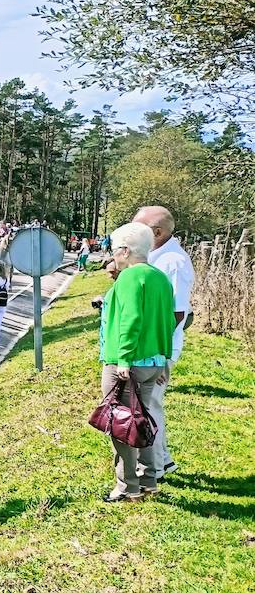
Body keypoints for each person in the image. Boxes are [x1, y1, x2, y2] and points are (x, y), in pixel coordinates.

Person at [99, 222, 175, 502]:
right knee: (143, 421)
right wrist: (164, 358)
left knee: (121, 424)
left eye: (113, 250)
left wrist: (124, 359)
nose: (113, 256)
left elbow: (130, 320)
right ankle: (149, 478)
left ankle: (126, 486)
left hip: (127, 364)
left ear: (125, 250)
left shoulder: (129, 277)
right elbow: (168, 321)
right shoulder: (159, 277)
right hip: (153, 362)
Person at [133, 205, 192, 478]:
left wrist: (158, 353)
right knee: (148, 404)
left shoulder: (173, 262)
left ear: (157, 232)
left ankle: (154, 468)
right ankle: (163, 460)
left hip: (158, 347)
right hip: (150, 345)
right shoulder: (155, 256)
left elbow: (177, 313)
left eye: (139, 227)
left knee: (149, 405)